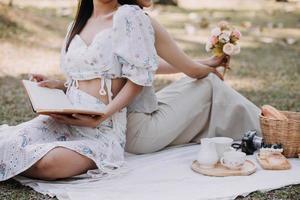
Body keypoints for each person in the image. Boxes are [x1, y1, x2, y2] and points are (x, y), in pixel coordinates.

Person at [0, 0, 164, 181]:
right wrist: (59, 85)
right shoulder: (77, 24)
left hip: (101, 130)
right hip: (66, 118)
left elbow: (138, 80)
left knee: (48, 164)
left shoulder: (129, 16)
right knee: (10, 143)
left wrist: (101, 116)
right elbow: (80, 79)